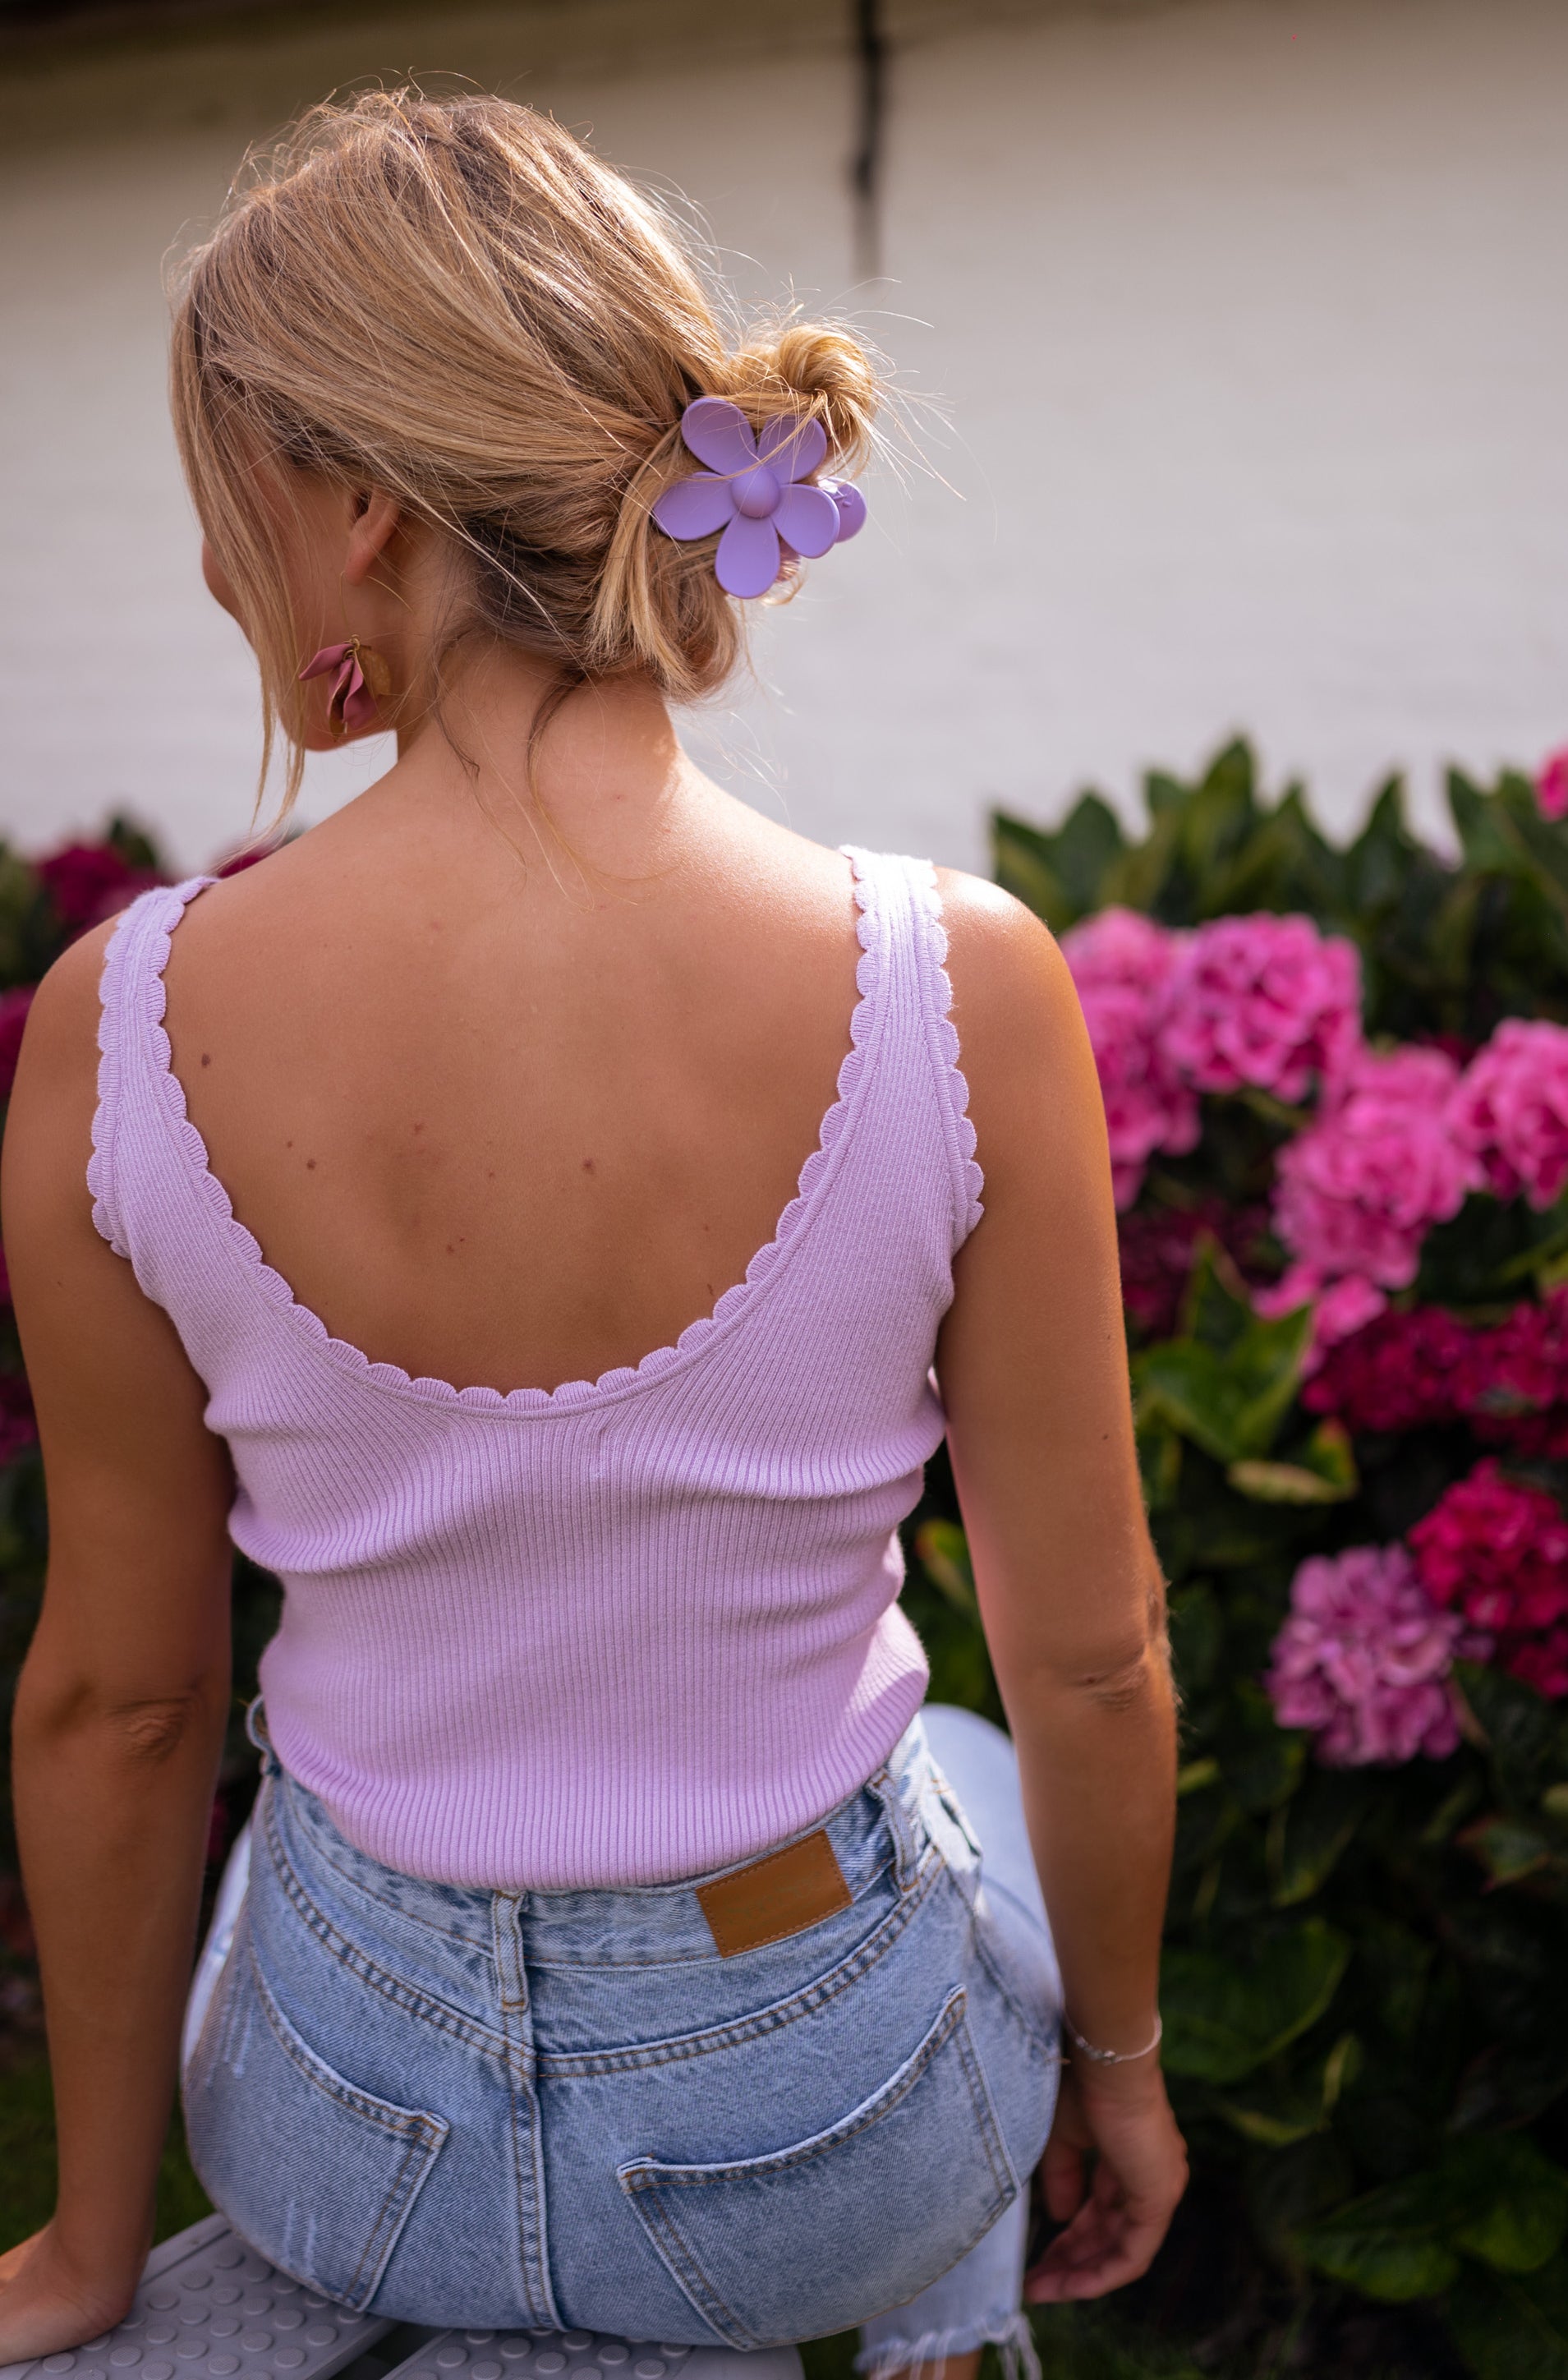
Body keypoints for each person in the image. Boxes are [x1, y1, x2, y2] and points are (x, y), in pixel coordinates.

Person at [0, 91, 1184, 2380]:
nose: (222, 575)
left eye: (232, 503)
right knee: (973, 1759)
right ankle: (947, 2333)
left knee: (311, 1838)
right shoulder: (956, 984)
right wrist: (1119, 2073)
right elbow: (1097, 1657)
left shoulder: (119, 1026)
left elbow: (124, 1707)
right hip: (815, 2137)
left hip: (344, 2134)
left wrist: (84, 2245)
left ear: (358, 507)